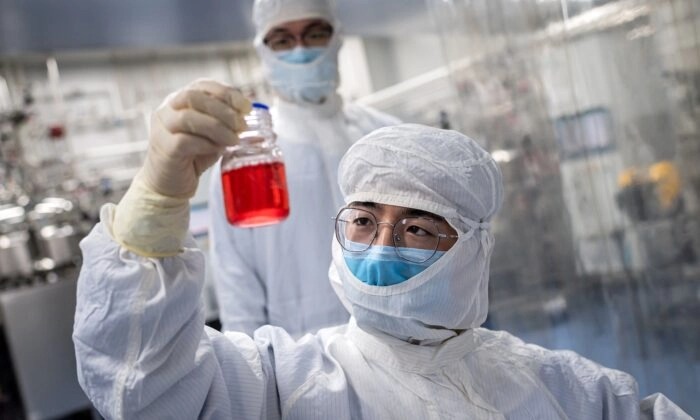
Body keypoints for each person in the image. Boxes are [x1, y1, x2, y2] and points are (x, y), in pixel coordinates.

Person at [73, 80, 691, 419]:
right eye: (365, 221)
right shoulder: (283, 384)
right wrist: (155, 203)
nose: (383, 245)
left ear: (473, 250)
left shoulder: (566, 390)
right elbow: (143, 389)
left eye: (418, 228)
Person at [208, 0, 400, 337]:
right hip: (299, 359)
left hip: (396, 342)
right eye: (282, 40)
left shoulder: (388, 137)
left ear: (336, 37)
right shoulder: (245, 157)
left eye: (314, 34)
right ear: (264, 50)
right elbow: (235, 279)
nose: (301, 51)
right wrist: (254, 373)